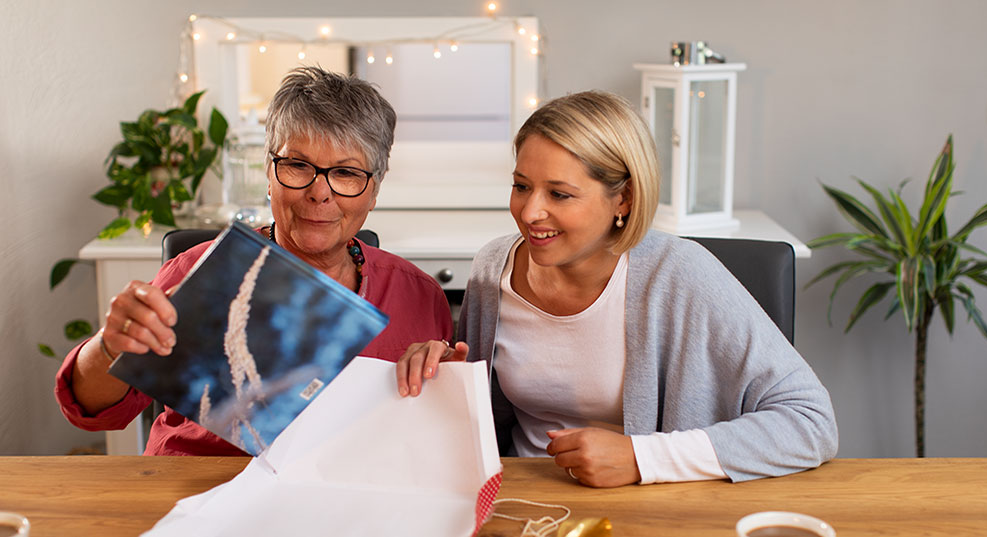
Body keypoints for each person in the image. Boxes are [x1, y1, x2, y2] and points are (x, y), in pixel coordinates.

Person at [396, 91, 838, 487]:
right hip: (519, 500)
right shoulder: (493, 268)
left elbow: (811, 423)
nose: (530, 212)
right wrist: (443, 378)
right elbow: (479, 431)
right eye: (521, 186)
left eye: (560, 194)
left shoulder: (680, 274)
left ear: (623, 199)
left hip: (641, 510)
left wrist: (640, 457)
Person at [56, 66, 454, 456]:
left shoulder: (418, 295)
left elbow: (434, 435)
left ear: (374, 189)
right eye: (298, 165)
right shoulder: (198, 272)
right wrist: (110, 345)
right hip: (197, 490)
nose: (319, 192)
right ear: (269, 172)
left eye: (346, 173)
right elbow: (97, 412)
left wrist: (451, 387)